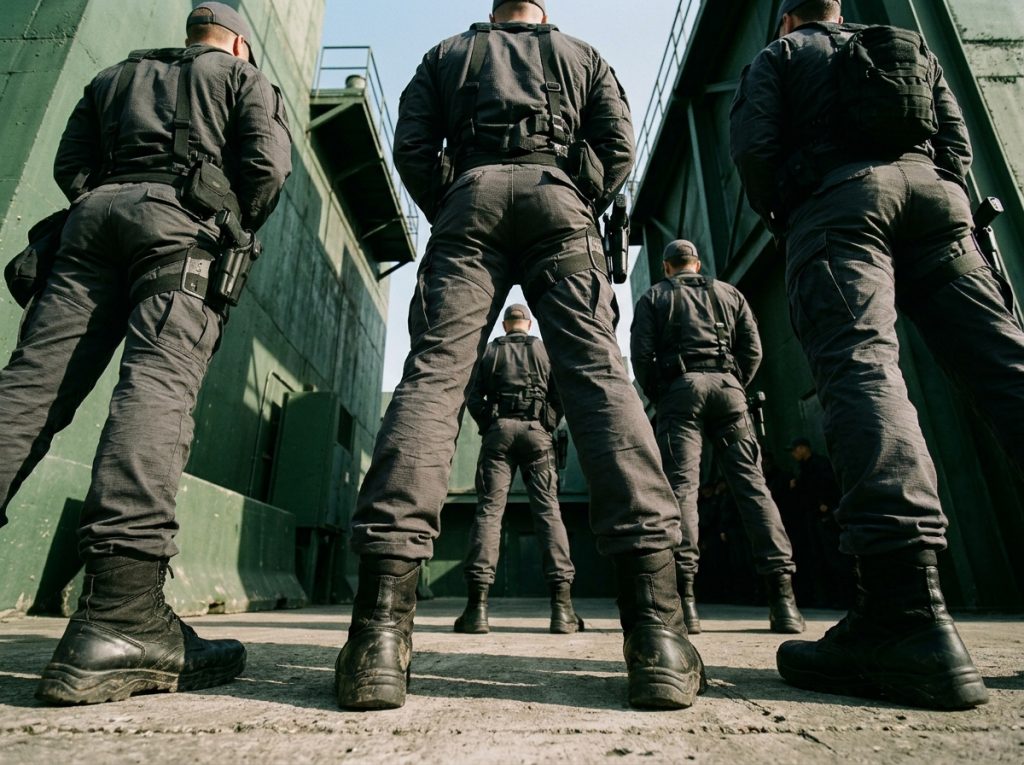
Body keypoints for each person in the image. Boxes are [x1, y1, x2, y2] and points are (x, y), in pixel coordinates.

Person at [335, 0, 705, 712]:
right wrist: (576, 191)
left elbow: (411, 146)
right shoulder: (582, 54)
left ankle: (377, 640)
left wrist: (452, 198)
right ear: (541, 9)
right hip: (558, 201)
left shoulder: (445, 55)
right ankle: (657, 636)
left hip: (467, 200)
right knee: (601, 379)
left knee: (434, 378)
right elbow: (618, 144)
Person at [730, 0, 1024, 709]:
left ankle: (905, 613)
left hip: (841, 207)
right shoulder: (904, 47)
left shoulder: (780, 57)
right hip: (936, 201)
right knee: (1009, 372)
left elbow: (754, 152)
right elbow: (956, 141)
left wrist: (796, 213)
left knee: (864, 371)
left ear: (786, 17)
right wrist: (940, 188)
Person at [0, 2, 291, 705]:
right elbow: (266, 168)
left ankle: (120, 612)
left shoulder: (114, 75)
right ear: (240, 46)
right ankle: (121, 612)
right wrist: (223, 218)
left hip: (91, 222)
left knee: (29, 389)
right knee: (157, 387)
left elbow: (73, 163)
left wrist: (109, 196)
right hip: (180, 229)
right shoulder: (244, 82)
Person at [631, 240, 805, 635]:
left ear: (666, 266)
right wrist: (734, 382)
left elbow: (641, 356)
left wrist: (665, 393)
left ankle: (687, 603)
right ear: (696, 263)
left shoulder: (654, 297)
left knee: (681, 491)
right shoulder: (730, 293)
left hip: (681, 390)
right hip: (729, 389)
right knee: (753, 488)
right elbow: (753, 349)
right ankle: (783, 602)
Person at [457, 303, 583, 635]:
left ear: (504, 323)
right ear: (528, 322)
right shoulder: (545, 350)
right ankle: (562, 611)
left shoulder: (490, 351)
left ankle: (476, 611)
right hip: (537, 435)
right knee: (548, 513)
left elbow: (472, 396)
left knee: (488, 513)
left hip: (499, 435)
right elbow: (563, 394)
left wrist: (491, 423)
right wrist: (547, 423)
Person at [788, 437, 852, 607]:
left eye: (795, 450)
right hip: (812, 517)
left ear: (803, 448)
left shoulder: (819, 465)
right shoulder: (805, 468)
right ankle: (829, 598)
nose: (793, 454)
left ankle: (844, 597)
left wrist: (827, 505)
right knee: (819, 558)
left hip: (825, 516)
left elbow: (828, 485)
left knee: (833, 557)